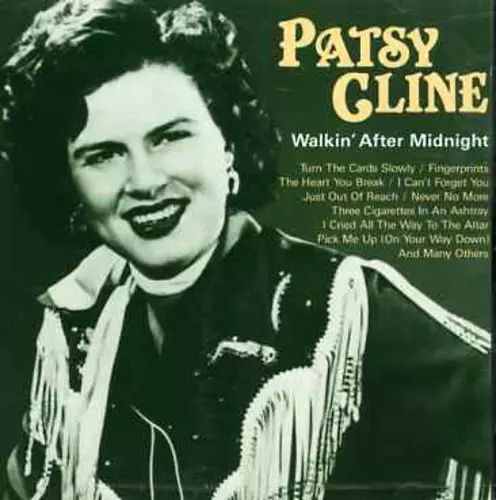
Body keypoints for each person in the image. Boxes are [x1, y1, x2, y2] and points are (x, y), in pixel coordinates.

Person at [0, 0, 490, 499]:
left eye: (169, 137)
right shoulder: (74, 326)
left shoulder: (344, 308)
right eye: (104, 155)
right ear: (69, 184)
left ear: (228, 145)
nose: (144, 181)